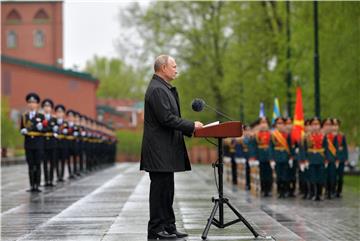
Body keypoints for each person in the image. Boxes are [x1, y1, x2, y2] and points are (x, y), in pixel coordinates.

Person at [140, 55, 203, 240]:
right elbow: (166, 118)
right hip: (159, 149)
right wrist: (191, 126)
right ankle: (156, 228)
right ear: (163, 68)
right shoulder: (157, 90)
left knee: (168, 188)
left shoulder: (164, 87)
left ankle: (168, 225)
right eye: (174, 66)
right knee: (160, 189)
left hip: (165, 148)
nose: (177, 69)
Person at [20, 93, 45, 192]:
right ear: (27, 104)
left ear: (37, 104)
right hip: (28, 143)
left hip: (38, 143)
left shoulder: (41, 116)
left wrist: (41, 128)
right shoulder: (24, 116)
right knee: (30, 165)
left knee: (38, 164)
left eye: (34, 102)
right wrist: (22, 131)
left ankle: (37, 185)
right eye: (30, 102)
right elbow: (22, 128)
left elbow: (45, 129)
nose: (32, 104)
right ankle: (31, 185)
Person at [270, 117, 292, 198]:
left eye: (282, 123)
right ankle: (280, 191)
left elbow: (290, 147)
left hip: (285, 157)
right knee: (278, 175)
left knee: (285, 175)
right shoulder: (273, 135)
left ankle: (285, 190)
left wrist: (291, 157)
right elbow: (271, 147)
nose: (280, 125)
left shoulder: (287, 135)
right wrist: (272, 158)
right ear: (275, 125)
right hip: (277, 157)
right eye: (278, 123)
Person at [251, 117, 273, 197]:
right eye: (262, 123)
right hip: (260, 155)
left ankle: (269, 189)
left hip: (269, 156)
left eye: (265, 122)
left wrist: (272, 157)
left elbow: (272, 146)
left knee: (269, 173)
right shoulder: (256, 134)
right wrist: (253, 157)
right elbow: (253, 147)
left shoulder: (271, 134)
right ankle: (263, 189)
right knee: (262, 173)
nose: (263, 124)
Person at [41, 98, 58, 187]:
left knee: (52, 162)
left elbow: (57, 130)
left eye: (49, 106)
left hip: (52, 143)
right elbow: (41, 130)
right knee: (44, 162)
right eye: (45, 106)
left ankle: (51, 180)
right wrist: (50, 129)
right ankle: (46, 180)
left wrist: (48, 129)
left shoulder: (54, 119)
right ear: (43, 108)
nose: (47, 108)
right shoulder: (40, 118)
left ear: (51, 108)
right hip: (43, 143)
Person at [333, 118, 348, 197]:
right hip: (332, 158)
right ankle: (332, 190)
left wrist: (345, 158)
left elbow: (345, 147)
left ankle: (339, 191)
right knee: (333, 176)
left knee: (340, 176)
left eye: (336, 125)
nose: (335, 127)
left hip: (341, 158)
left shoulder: (341, 135)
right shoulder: (329, 136)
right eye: (334, 125)